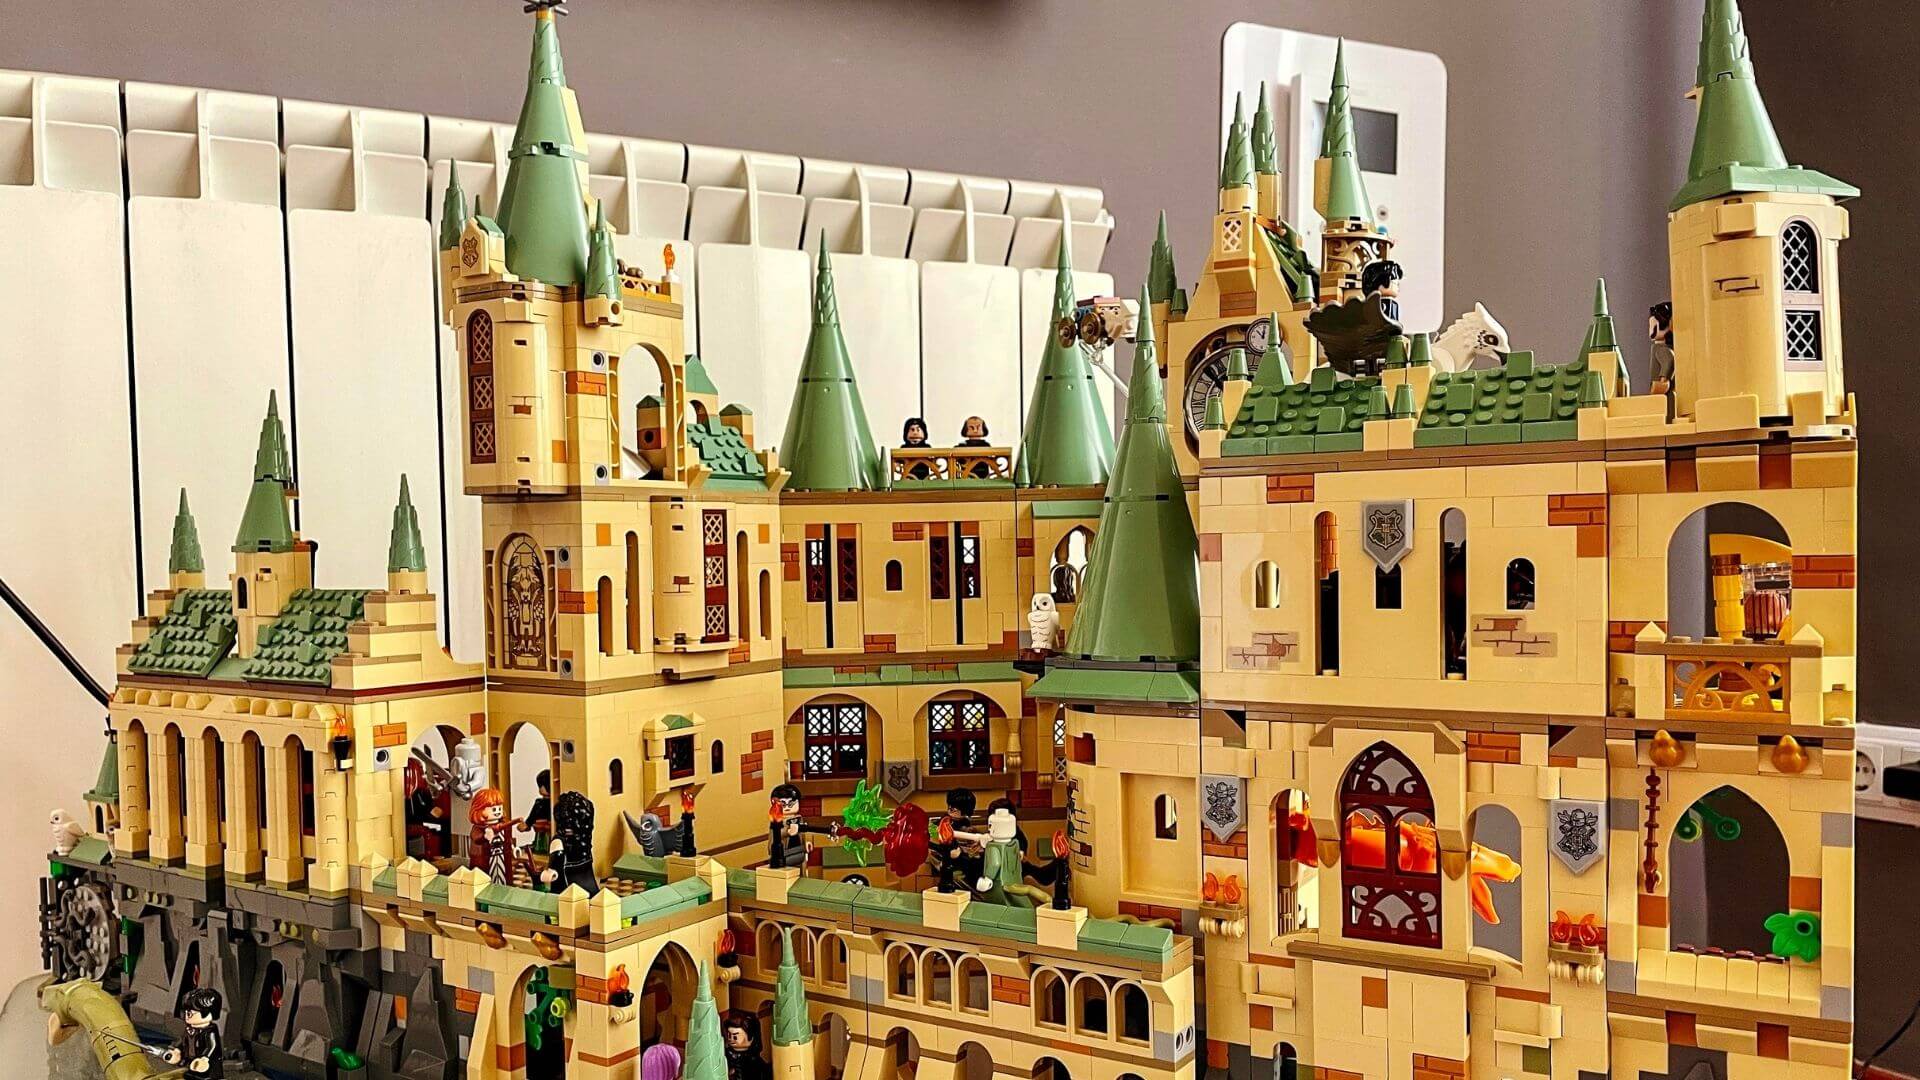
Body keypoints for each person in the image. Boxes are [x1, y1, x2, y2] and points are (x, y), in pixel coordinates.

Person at [539, 791, 599, 895]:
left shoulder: (559, 842)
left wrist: (548, 873)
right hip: (588, 889)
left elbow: (554, 868)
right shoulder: (584, 841)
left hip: (567, 890)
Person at [162, 987, 224, 1079]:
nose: (186, 1016)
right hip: (190, 1063)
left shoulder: (210, 1031)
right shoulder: (189, 1029)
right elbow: (183, 1041)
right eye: (186, 1012)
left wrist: (204, 1058)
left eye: (190, 1013)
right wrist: (177, 1051)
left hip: (208, 1069)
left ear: (209, 1013)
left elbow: (212, 1046)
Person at [468, 788, 526, 885]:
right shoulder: (479, 828)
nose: (497, 811)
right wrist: (485, 836)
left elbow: (508, 840)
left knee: (503, 877)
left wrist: (513, 848)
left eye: (499, 808)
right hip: (486, 860)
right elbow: (476, 838)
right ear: (480, 810)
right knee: (487, 880)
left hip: (502, 857)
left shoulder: (504, 826)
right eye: (493, 809)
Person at [767, 783, 831, 870]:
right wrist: (787, 832)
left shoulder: (799, 818)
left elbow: (802, 833)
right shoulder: (777, 820)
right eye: (783, 805)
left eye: (791, 804)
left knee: (800, 868)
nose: (787, 807)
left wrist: (805, 843)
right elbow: (774, 837)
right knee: (786, 869)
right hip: (784, 853)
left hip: (799, 851)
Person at [930, 788, 981, 894]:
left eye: (956, 806)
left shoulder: (969, 829)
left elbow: (974, 857)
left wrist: (962, 854)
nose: (951, 808)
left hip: (966, 868)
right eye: (950, 805)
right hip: (946, 866)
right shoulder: (939, 826)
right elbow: (934, 845)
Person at [722, 1012, 771, 1080]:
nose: (731, 1039)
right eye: (729, 1035)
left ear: (751, 1038)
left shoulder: (754, 1062)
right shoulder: (726, 1054)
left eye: (735, 1037)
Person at [1648, 302, 1676, 421]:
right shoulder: (1659, 348)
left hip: (1662, 393)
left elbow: (1669, 360)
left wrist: (1663, 380)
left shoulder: (1661, 349)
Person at [1360, 259, 1404, 323]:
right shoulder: (1376, 304)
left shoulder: (1392, 304)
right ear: (1384, 281)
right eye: (1396, 283)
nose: (1398, 287)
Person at [526, 769, 553, 856]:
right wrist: (527, 824)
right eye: (540, 786)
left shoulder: (555, 802)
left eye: (542, 785)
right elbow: (533, 815)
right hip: (539, 829)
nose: (540, 789)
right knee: (540, 841)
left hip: (550, 830)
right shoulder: (539, 803)